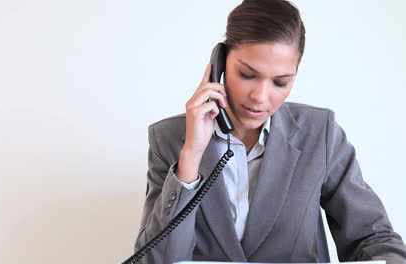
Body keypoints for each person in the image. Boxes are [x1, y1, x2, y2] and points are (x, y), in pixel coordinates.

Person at [133, 0, 406, 263]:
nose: (260, 97)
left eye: (280, 82)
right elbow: (154, 260)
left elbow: (373, 238)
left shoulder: (319, 133)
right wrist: (191, 155)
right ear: (220, 64)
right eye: (248, 75)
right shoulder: (169, 139)